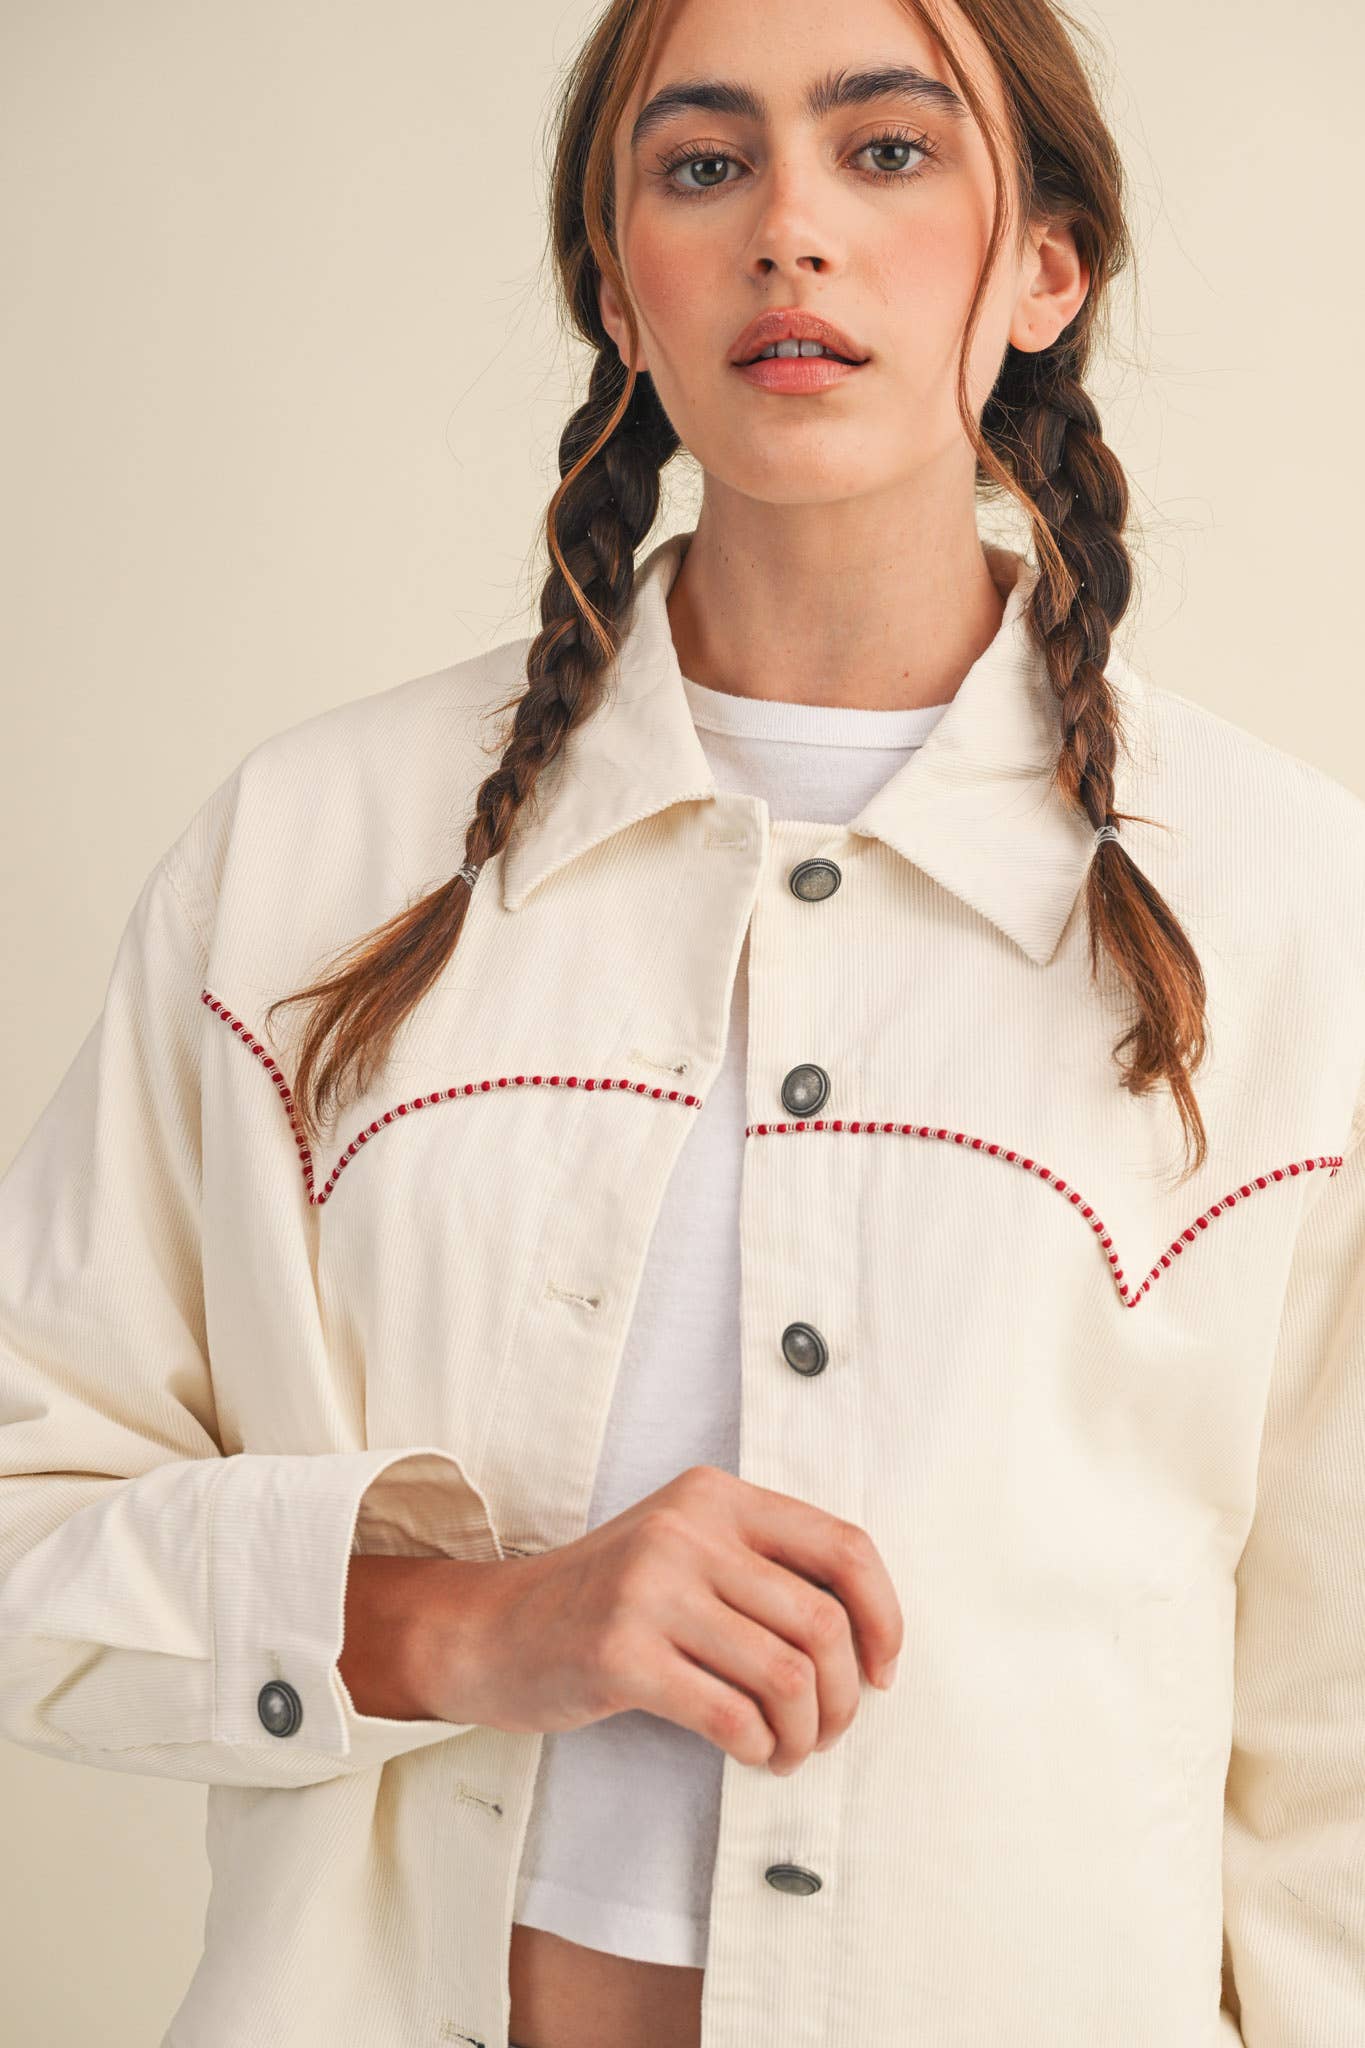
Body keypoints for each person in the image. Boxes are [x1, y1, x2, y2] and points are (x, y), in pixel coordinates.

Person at [2, 0, 1363, 2043]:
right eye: (701, 164)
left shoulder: (1279, 911)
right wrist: (467, 1621)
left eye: (887, 152)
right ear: (616, 288)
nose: (788, 231)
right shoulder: (306, 856)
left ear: (1042, 266)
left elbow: (1332, 1758)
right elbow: (33, 1505)